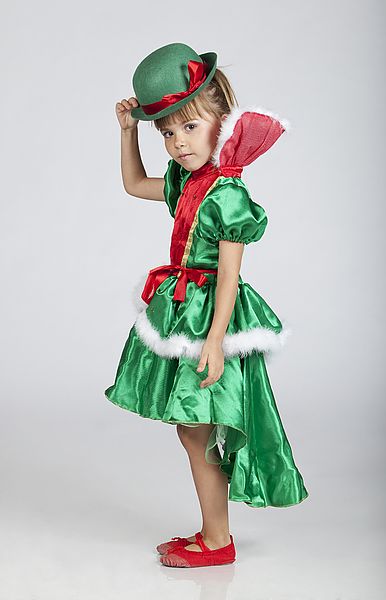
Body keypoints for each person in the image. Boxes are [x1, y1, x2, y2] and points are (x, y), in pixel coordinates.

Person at [105, 42, 309, 568]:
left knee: (198, 431)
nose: (176, 143)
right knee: (192, 430)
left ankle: (217, 542)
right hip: (184, 309)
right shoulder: (190, 182)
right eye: (168, 132)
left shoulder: (226, 194)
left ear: (222, 117)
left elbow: (229, 277)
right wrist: (129, 132)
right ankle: (212, 534)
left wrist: (216, 340)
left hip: (210, 317)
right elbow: (132, 184)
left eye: (189, 127)